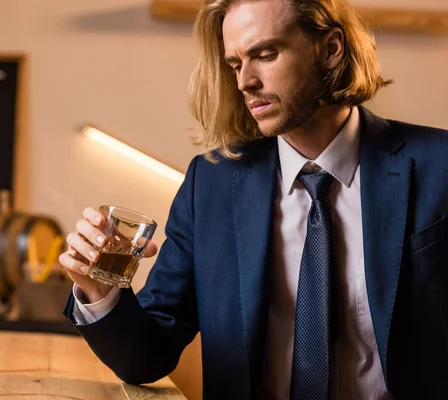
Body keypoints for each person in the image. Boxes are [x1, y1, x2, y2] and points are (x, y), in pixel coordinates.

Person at [58, 0, 448, 398]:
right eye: (235, 64)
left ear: (330, 49)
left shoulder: (441, 168)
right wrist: (98, 291)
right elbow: (147, 355)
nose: (245, 81)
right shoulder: (209, 184)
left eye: (265, 54)